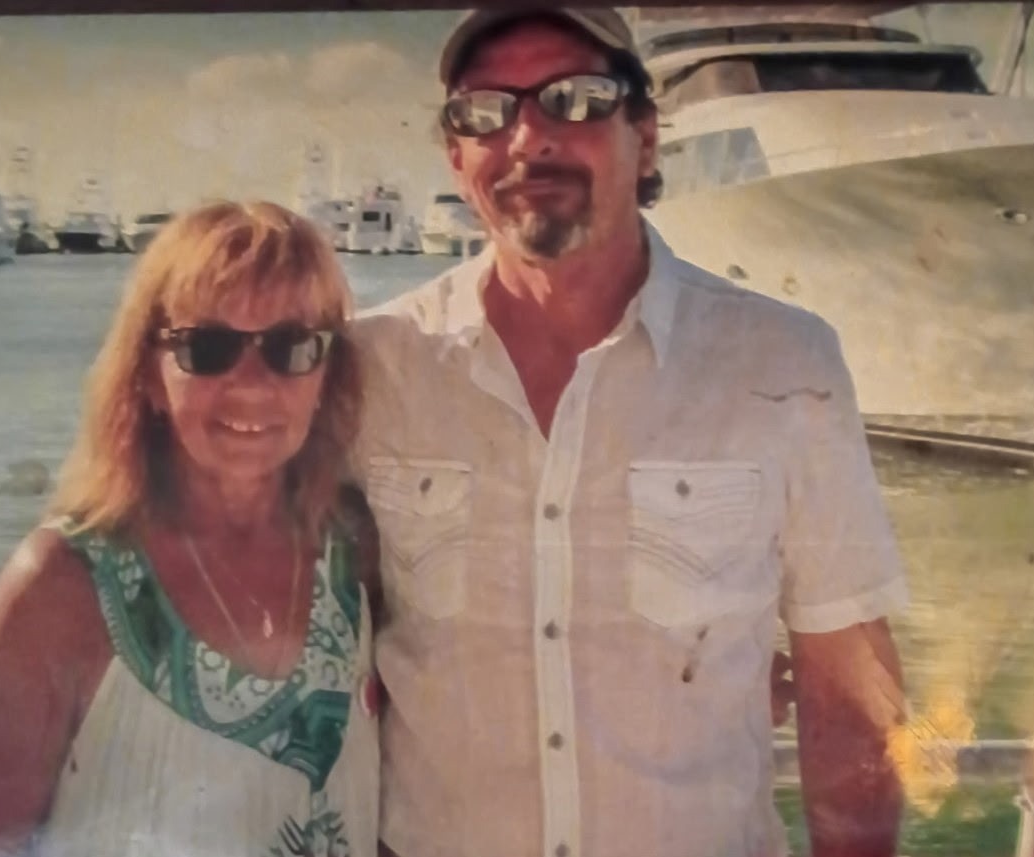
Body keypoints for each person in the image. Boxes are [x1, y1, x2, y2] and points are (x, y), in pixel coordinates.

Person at [351, 9, 910, 857]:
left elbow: (850, 692)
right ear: (457, 160)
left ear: (645, 138)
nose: (528, 137)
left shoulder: (785, 361)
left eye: (575, 99)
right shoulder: (374, 366)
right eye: (485, 111)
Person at [0, 200, 379, 857]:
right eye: (208, 348)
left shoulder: (354, 556)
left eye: (290, 347)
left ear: (327, 372)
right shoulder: (59, 589)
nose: (251, 384)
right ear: (146, 373)